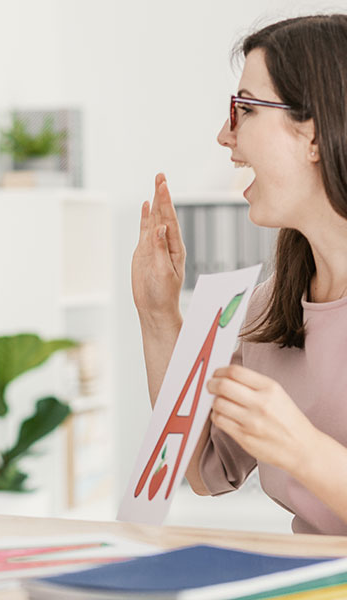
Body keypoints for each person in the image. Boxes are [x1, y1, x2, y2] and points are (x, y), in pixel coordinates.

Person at [132, 14, 347, 535]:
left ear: (314, 132)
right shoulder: (270, 307)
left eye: (245, 108)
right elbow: (204, 467)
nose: (225, 135)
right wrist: (160, 315)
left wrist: (306, 451)